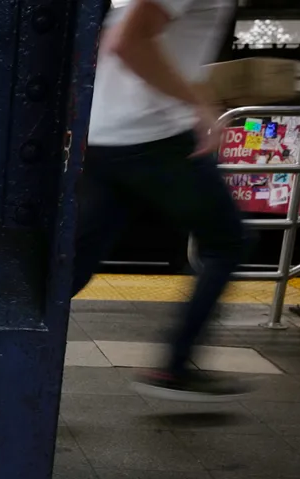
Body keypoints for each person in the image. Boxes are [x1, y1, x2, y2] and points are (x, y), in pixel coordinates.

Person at [74, 0, 249, 400]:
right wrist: (198, 105)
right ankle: (175, 367)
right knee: (228, 242)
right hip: (155, 138)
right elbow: (127, 41)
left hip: (107, 136)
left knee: (74, 265)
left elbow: (112, 41)